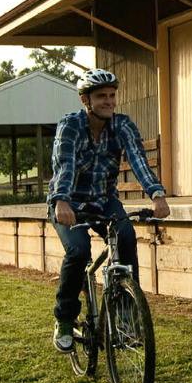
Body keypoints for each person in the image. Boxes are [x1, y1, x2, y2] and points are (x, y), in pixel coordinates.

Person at [47, 68, 170, 351]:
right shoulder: (70, 126)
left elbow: (139, 160)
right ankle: (64, 319)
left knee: (126, 237)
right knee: (78, 251)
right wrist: (62, 201)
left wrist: (156, 194)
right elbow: (64, 165)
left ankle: (127, 315)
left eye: (112, 96)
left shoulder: (122, 125)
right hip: (69, 202)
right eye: (101, 96)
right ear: (85, 100)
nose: (109, 101)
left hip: (104, 200)